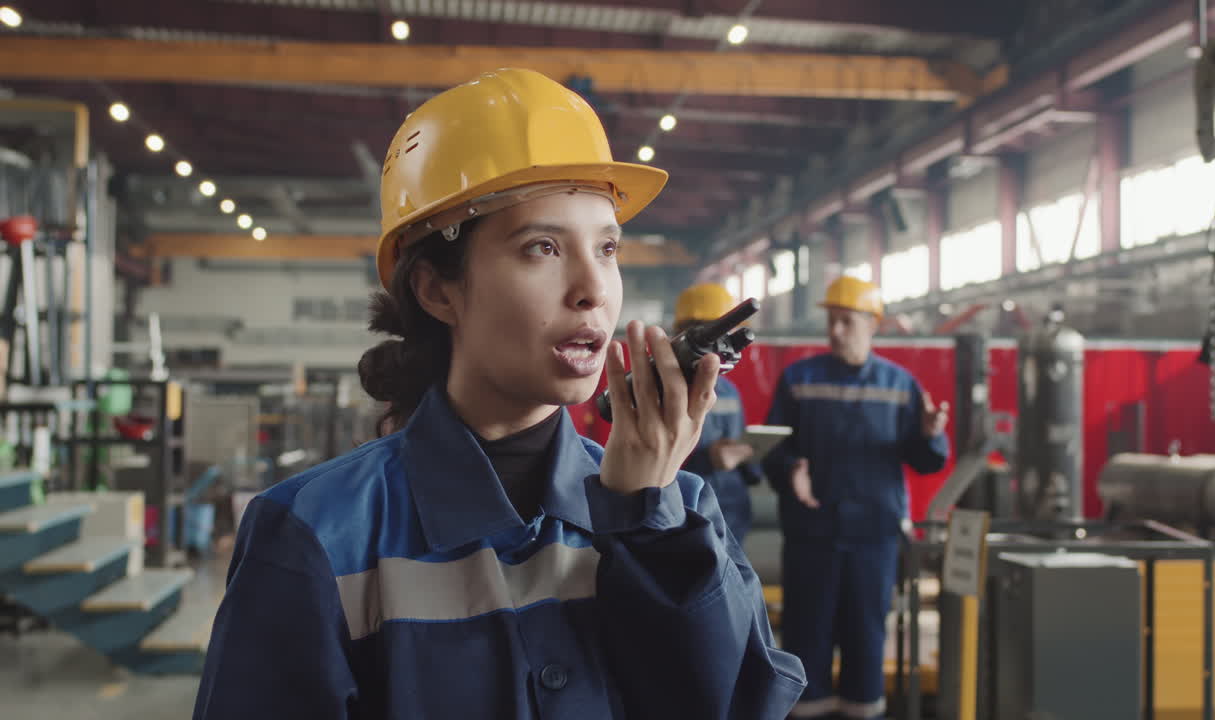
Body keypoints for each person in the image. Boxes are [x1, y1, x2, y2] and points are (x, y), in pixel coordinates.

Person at [193, 68, 804, 720]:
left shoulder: (679, 510)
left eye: (606, 248)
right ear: (437, 290)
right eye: (542, 247)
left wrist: (647, 527)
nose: (592, 289)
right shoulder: (312, 535)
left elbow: (737, 705)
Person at [763, 275, 949, 720]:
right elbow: (771, 448)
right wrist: (791, 469)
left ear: (872, 324)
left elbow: (923, 462)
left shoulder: (900, 385)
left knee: (866, 636)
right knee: (807, 635)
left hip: (873, 536)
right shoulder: (799, 380)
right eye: (831, 321)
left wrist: (929, 436)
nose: (836, 331)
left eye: (846, 321)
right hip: (812, 534)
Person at [672, 283, 761, 546]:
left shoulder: (729, 389)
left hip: (732, 516)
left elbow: (740, 448)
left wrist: (750, 457)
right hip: (684, 517)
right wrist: (707, 459)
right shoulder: (664, 389)